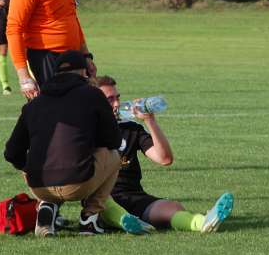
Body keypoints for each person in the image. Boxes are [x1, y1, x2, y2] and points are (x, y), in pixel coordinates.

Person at [3, 52, 151, 236]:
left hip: (39, 186)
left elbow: (11, 153)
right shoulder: (92, 95)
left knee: (47, 162)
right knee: (114, 155)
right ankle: (90, 217)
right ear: (82, 72)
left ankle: (47, 206)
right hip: (78, 184)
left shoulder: (34, 104)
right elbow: (113, 140)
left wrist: (30, 169)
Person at [96, 76, 234, 233]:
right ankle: (122, 220)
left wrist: (150, 121)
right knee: (103, 200)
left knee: (173, 207)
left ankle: (202, 222)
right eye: (110, 99)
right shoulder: (87, 132)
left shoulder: (131, 129)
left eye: (117, 98)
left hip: (134, 195)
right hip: (103, 197)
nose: (116, 104)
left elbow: (164, 159)